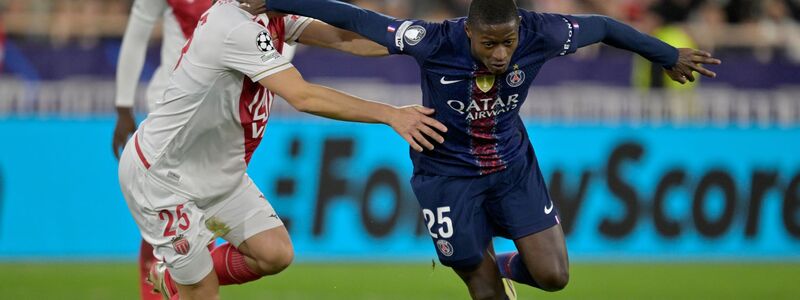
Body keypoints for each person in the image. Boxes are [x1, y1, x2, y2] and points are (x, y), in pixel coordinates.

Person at [265, 0, 721, 299]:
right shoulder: (435, 40)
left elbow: (602, 27)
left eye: (508, 42)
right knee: (484, 293)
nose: (501, 54)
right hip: (445, 171)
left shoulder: (543, 32)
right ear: (470, 35)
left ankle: (498, 261)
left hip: (510, 165)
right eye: (489, 43)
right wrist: (276, 1)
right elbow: (358, 20)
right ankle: (481, 266)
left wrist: (665, 54)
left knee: (554, 277)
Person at [118, 0, 446, 299]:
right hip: (164, 177)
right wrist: (391, 114)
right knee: (202, 292)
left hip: (218, 175)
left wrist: (418, 43)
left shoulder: (272, 15)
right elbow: (304, 97)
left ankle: (176, 277)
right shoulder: (234, 26)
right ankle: (188, 281)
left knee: (273, 253)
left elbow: (341, 38)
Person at [111, 1, 266, 299]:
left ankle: (173, 282)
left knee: (198, 215)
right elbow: (138, 30)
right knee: (168, 215)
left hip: (219, 112)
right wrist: (123, 104)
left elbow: (277, 35)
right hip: (170, 105)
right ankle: (170, 287)